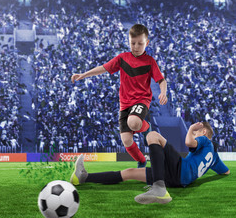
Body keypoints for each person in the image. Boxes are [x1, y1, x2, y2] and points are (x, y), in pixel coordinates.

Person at [71, 24, 168, 167]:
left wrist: (163, 93)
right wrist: (83, 75)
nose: (135, 46)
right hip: (125, 105)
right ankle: (141, 160)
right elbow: (103, 68)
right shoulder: (122, 58)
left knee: (133, 122)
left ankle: (146, 127)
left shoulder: (150, 62)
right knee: (126, 141)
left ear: (146, 43)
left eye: (140, 43)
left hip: (141, 101)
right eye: (132, 43)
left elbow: (161, 80)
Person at [71, 122, 230, 204]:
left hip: (180, 169)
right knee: (129, 172)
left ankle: (159, 188)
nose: (196, 135)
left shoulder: (206, 141)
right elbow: (225, 171)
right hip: (179, 180)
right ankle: (83, 177)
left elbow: (189, 141)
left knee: (153, 135)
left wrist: (190, 129)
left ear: (203, 133)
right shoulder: (214, 158)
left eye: (198, 133)